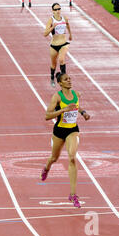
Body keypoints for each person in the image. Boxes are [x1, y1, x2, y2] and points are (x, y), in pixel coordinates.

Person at [40, 72, 90, 208]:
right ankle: (46, 167)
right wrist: (63, 110)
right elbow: (47, 116)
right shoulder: (57, 97)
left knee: (72, 158)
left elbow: (77, 107)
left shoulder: (76, 94)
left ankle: (73, 195)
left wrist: (83, 113)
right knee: (54, 158)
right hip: (59, 130)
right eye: (66, 79)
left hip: (73, 130)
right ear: (60, 83)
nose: (69, 81)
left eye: (70, 78)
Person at [43, 3, 72, 87]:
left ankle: (64, 80)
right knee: (53, 65)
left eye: (59, 9)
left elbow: (68, 25)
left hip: (63, 43)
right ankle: (52, 78)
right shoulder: (51, 20)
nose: (57, 11)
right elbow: (45, 34)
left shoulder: (64, 18)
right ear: (52, 11)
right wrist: (53, 27)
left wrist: (70, 35)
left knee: (62, 59)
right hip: (54, 45)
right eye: (55, 9)